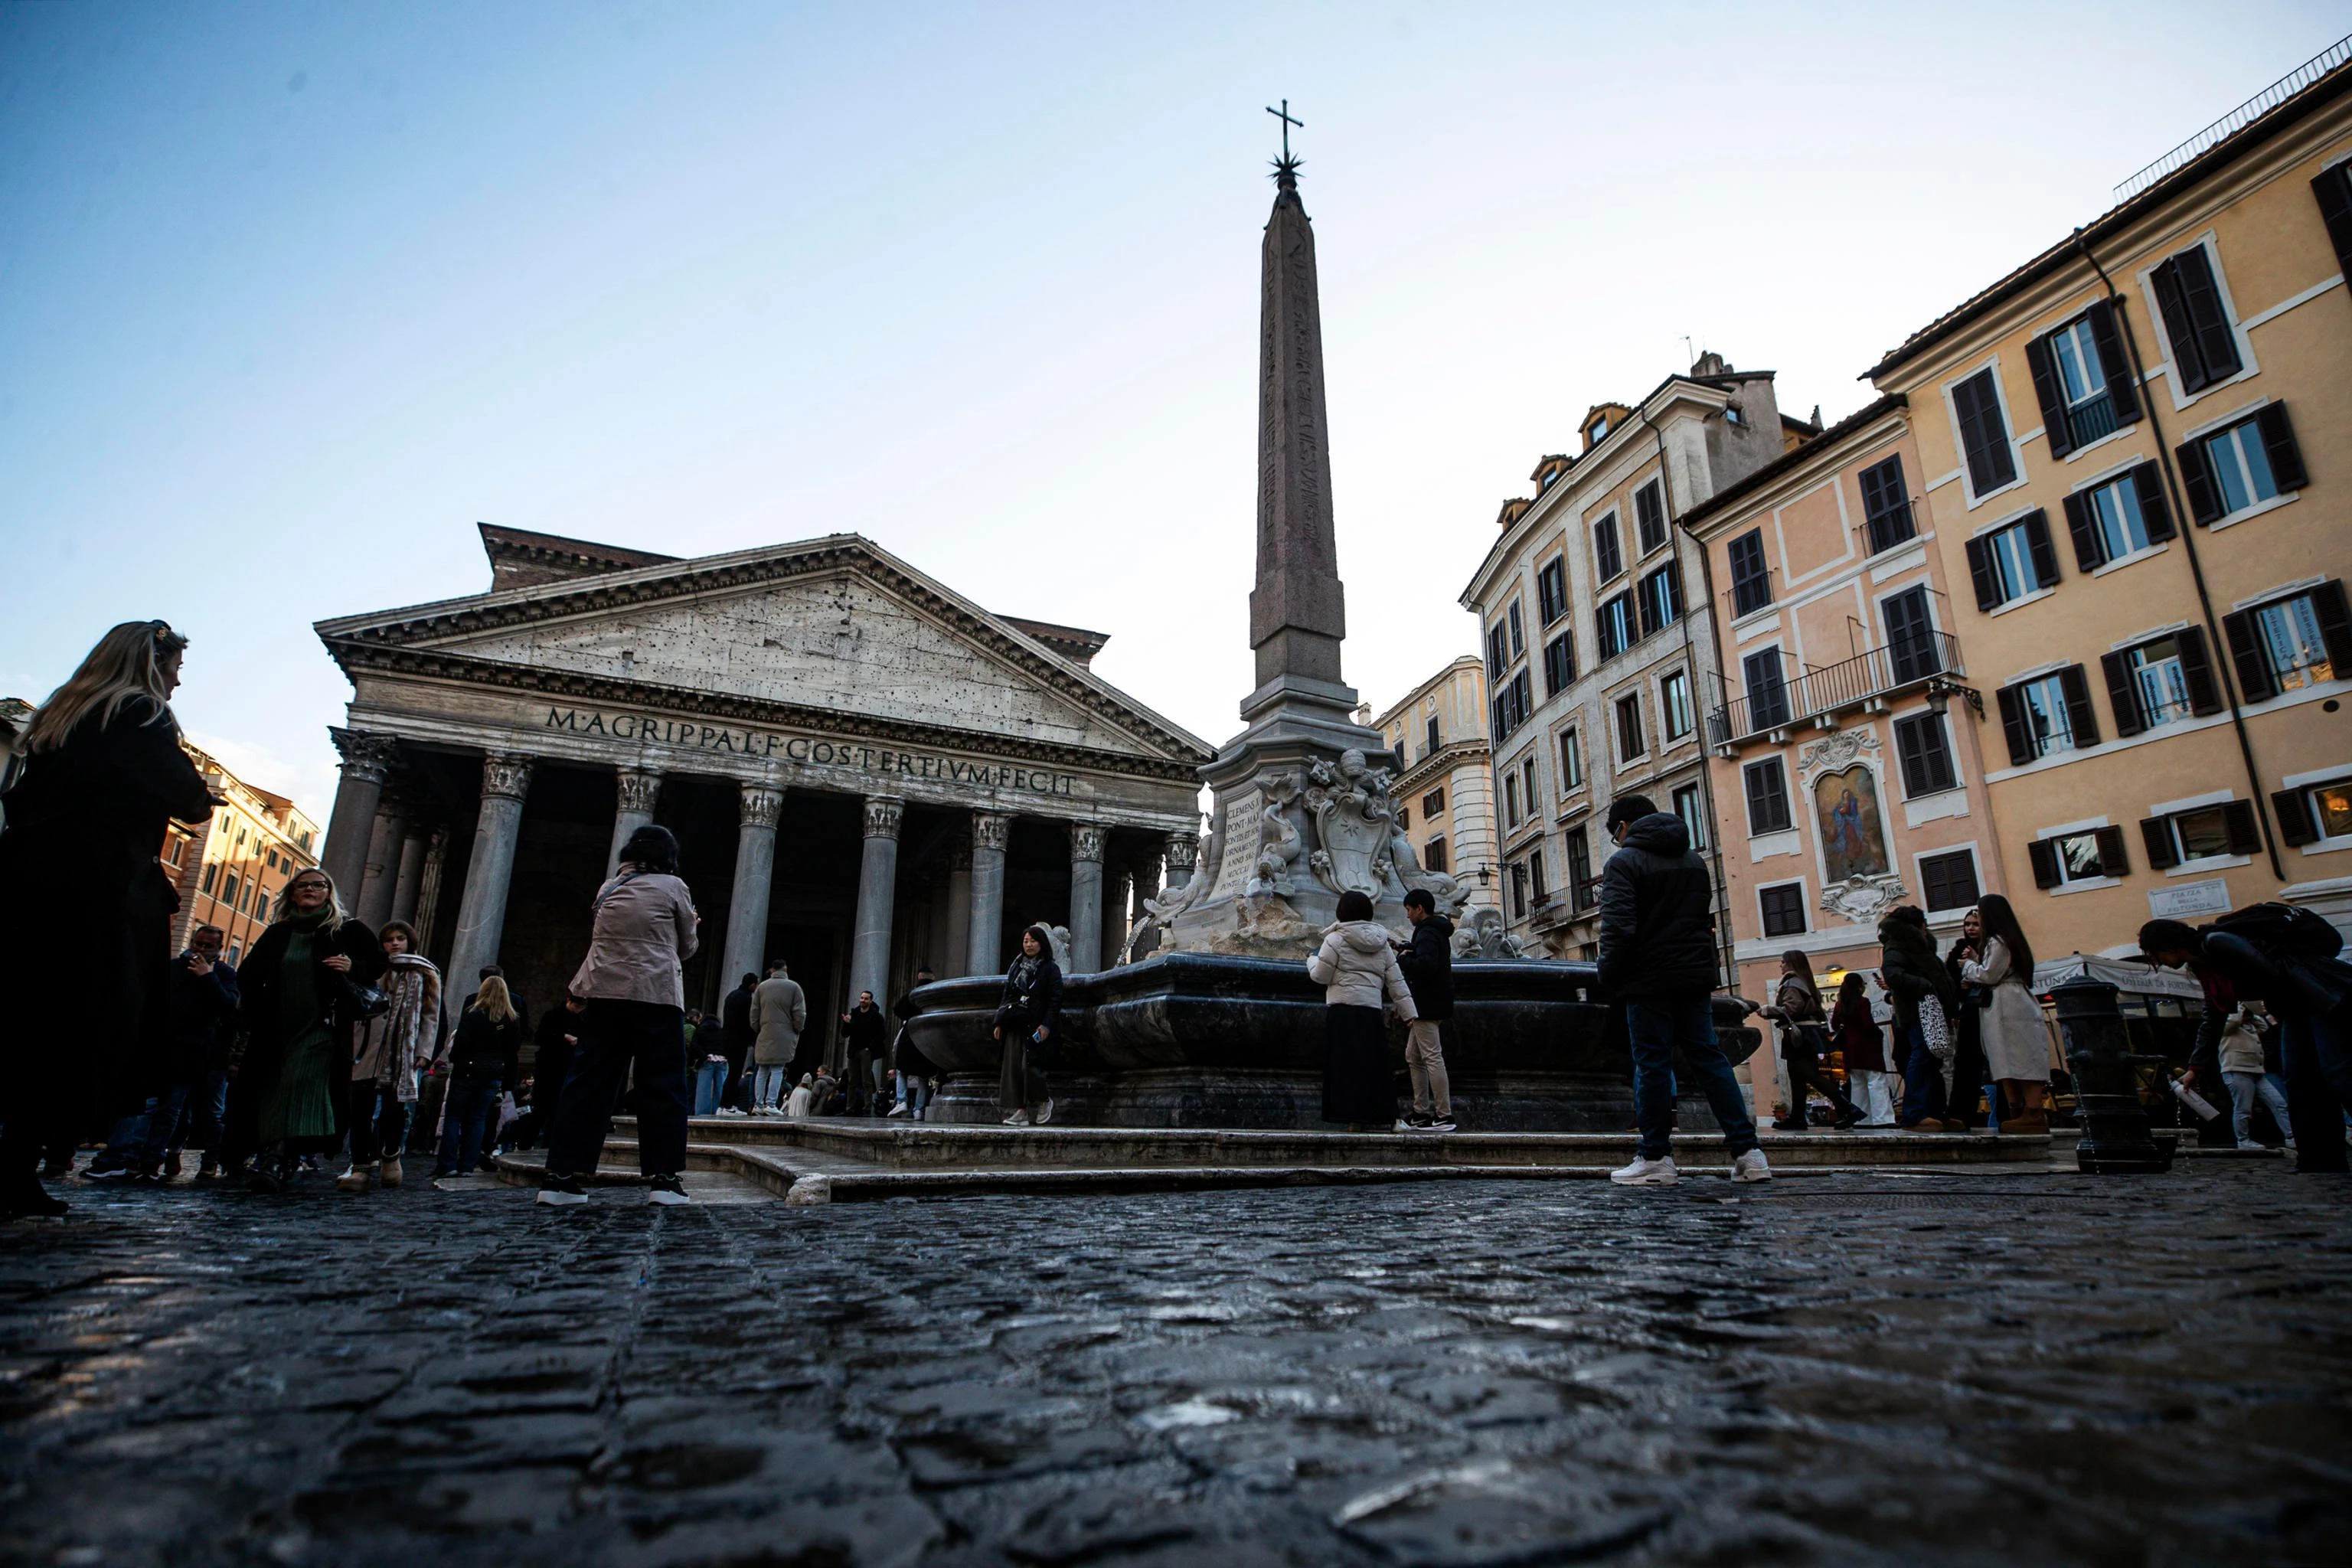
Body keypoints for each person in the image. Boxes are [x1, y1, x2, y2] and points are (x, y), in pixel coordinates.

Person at [0, 620, 214, 1217]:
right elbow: (191, 800)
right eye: (174, 668)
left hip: (25, 880)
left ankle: (14, 1167)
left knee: (24, 1020)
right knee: (81, 1027)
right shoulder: (140, 714)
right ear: (153, 664)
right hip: (101, 888)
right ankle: (16, 1169)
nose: (176, 680)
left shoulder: (58, 717)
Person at [1595, 794, 1769, 1186]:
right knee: (1709, 1058)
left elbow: (1618, 928)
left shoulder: (1623, 862)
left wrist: (1608, 974)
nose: (1617, 841)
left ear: (1624, 827)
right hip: (1693, 975)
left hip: (1647, 977)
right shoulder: (1694, 861)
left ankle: (1655, 1156)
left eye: (1615, 834)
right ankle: (1749, 1153)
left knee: (1653, 1063)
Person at [539, 825, 700, 1206]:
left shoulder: (609, 888)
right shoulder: (674, 887)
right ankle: (664, 1180)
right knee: (662, 1085)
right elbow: (687, 947)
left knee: (587, 1083)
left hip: (605, 994)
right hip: (654, 995)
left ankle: (560, 1177)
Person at [2142, 909, 2352, 1174]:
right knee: (2301, 1080)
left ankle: (2322, 1158)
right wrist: (2196, 1068)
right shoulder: (2205, 964)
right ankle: (2321, 1159)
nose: (2157, 962)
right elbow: (2214, 1015)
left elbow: (2272, 973)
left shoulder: (2218, 944)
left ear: (2167, 946)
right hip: (2297, 1006)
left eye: (2155, 954)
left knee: (2336, 1072)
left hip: (2317, 998)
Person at [230, 867, 385, 1192]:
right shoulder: (279, 933)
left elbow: (378, 963)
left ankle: (277, 1156)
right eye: (304, 886)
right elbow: (247, 974)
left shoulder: (347, 929)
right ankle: (281, 1155)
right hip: (278, 1026)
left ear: (329, 892)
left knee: (300, 1079)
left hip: (324, 1026)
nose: (311, 890)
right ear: (292, 894)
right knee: (276, 1085)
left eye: (319, 885)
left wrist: (353, 967)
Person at [337, 920, 441, 1191]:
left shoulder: (425, 972)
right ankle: (360, 1166)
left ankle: (390, 1155)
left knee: (395, 1111)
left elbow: (431, 1016)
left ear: (410, 942)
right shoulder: (372, 968)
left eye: (400, 938)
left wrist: (423, 1052)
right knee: (361, 1108)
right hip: (367, 1046)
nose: (395, 943)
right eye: (389, 939)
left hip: (402, 1050)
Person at [1308, 890, 1417, 1132]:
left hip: (1342, 1011)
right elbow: (1396, 981)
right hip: (1370, 1010)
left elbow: (1320, 976)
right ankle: (1392, 1119)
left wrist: (1311, 961)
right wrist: (1410, 1014)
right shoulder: (1382, 942)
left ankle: (1353, 1119)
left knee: (1345, 1067)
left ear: (1341, 912)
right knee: (1377, 1065)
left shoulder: (1334, 940)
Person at [1959, 894, 2050, 1134]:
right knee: (2011, 1058)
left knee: (2015, 1056)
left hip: (2006, 1005)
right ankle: (2020, 1112)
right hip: (2011, 1000)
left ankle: (2029, 1112)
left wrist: (1968, 966)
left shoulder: (1998, 942)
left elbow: (1989, 975)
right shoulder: (2010, 940)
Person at [433, 975, 525, 1181]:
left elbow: (460, 1045)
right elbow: (513, 1050)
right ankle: (467, 1165)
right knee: (478, 1119)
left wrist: (456, 1058)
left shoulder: (473, 1014)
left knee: (454, 1118)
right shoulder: (511, 1019)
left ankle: (447, 1164)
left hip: (467, 1071)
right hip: (493, 1073)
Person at [1760, 951, 1862, 1132]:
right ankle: (1798, 1118)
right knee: (1797, 1076)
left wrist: (1768, 1010)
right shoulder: (1804, 981)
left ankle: (1848, 1108)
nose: (1781, 965)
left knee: (1810, 1074)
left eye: (1783, 962)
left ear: (1791, 963)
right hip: (1806, 1033)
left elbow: (1792, 1008)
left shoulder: (1792, 982)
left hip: (1800, 1034)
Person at [1880, 905, 1961, 1132]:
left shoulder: (1917, 946)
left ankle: (1936, 1113)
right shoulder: (1899, 945)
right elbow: (1893, 974)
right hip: (1919, 1009)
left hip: (1932, 1009)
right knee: (1923, 1057)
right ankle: (1914, 1113)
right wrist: (1925, 986)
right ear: (1918, 925)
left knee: (1934, 1060)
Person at [1390, 890, 1456, 1133]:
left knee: (1431, 1057)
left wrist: (1402, 959)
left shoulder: (1428, 932)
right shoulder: (1431, 930)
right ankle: (1420, 1112)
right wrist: (1404, 947)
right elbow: (1425, 955)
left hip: (1427, 1004)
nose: (1407, 915)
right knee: (1414, 1056)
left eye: (1409, 910)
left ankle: (1444, 1115)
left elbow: (1426, 965)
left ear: (1420, 908)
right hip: (1430, 1002)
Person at [994, 926, 1062, 1125]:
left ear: (1042, 943)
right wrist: (999, 1021)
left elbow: (1055, 1000)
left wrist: (1047, 1025)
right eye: (1026, 941)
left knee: (1031, 1067)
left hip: (1036, 1024)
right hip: (1015, 1023)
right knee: (1013, 1068)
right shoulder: (1016, 966)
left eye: (1033, 941)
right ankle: (1020, 1111)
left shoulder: (1050, 969)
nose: (1029, 945)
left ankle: (1043, 1101)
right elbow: (1007, 995)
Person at [1942, 910, 1994, 1129]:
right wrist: (1961, 987)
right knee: (1966, 1060)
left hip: (1991, 1006)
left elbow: (1992, 973)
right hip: (1971, 1008)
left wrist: (1974, 964)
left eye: (1975, 924)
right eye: (1967, 924)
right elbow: (1950, 978)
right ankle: (1961, 1113)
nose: (1970, 928)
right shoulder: (1958, 950)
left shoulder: (1992, 946)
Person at [2216, 1002, 2292, 1149]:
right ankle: (2243, 1140)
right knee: (2243, 1108)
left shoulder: (2250, 1028)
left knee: (2279, 1104)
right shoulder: (2227, 1028)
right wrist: (2239, 1006)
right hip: (2237, 1070)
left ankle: (2291, 1136)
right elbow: (2233, 1021)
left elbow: (2263, 1026)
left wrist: (2253, 1014)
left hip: (2257, 1072)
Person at [1831, 972, 1897, 1127]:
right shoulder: (1863, 1002)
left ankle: (1863, 1119)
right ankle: (1883, 1119)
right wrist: (1878, 1034)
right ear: (1859, 986)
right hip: (1867, 1048)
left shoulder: (1839, 1004)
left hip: (1850, 1049)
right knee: (1876, 1081)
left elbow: (1834, 1025)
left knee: (1858, 1083)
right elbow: (1868, 1024)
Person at [521, 996, 584, 1148]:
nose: (578, 1010)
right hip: (549, 1070)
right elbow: (541, 1037)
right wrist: (563, 1037)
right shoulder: (553, 1016)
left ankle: (549, 1144)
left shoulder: (581, 1020)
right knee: (541, 1110)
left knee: (558, 1112)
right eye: (576, 1006)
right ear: (569, 1001)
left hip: (567, 1069)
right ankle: (526, 1143)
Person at [750, 962, 808, 1114]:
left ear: (772, 970)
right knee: (777, 1069)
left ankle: (758, 1104)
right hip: (785, 1034)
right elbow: (799, 1013)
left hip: (765, 1031)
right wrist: (797, 1029)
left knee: (762, 1069)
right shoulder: (794, 987)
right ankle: (771, 1104)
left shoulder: (762, 987)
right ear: (785, 969)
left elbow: (754, 1011)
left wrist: (758, 1028)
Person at [890, 966, 938, 1120]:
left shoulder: (913, 994)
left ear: (918, 977)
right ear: (933, 978)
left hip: (910, 1034)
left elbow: (897, 1009)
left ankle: (902, 1101)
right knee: (923, 1076)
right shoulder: (934, 993)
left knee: (901, 1070)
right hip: (929, 1037)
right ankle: (919, 1110)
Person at [719, 971, 759, 1114]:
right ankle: (728, 1105)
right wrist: (752, 1039)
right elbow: (747, 1022)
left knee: (732, 1073)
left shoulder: (732, 995)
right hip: (738, 1041)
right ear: (752, 985)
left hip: (728, 1040)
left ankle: (724, 1105)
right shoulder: (746, 998)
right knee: (735, 1074)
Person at [842, 991, 887, 1112]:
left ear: (871, 1001)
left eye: (866, 999)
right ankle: (850, 1107)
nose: (863, 1001)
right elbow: (845, 1034)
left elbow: (882, 1034)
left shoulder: (876, 1016)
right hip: (853, 1050)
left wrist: (870, 1047)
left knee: (866, 1080)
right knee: (851, 1080)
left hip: (866, 1051)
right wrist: (846, 1024)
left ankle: (867, 1108)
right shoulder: (854, 1014)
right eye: (862, 998)